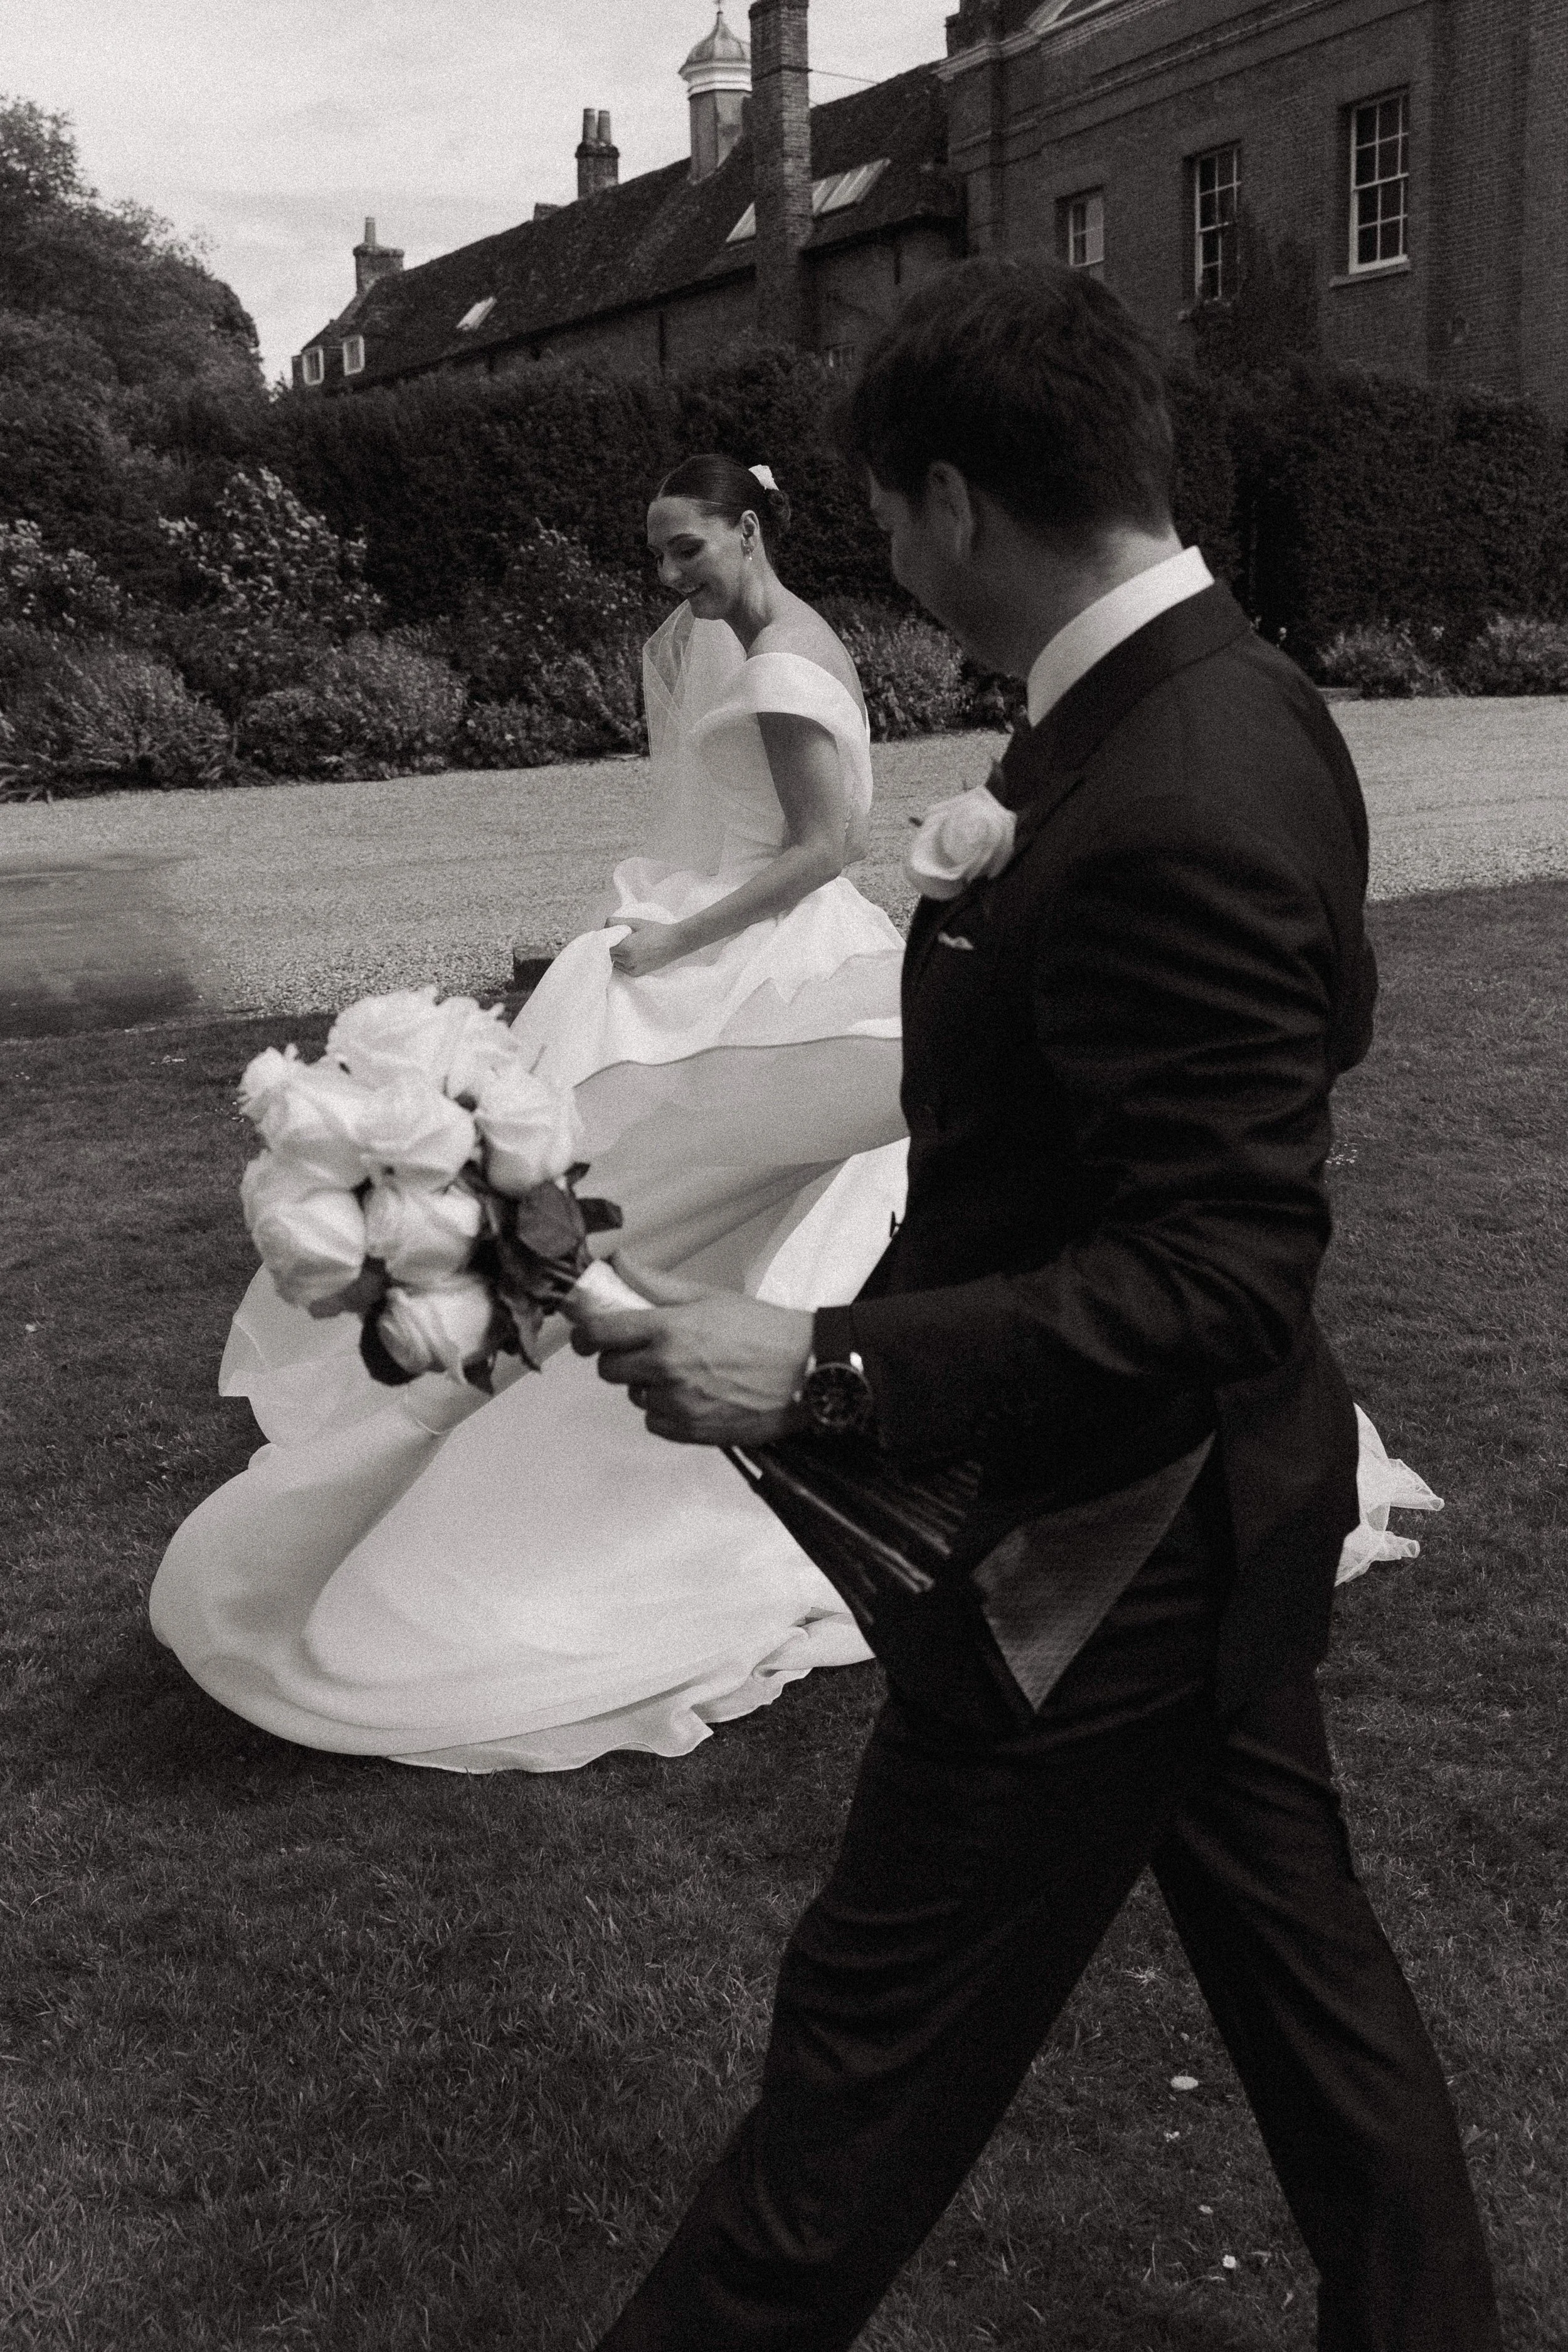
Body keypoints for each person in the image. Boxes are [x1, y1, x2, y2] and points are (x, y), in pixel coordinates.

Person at [569, 262, 1499, 2347]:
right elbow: (1313, 1028)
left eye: (890, 517)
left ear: (954, 503)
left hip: (1115, 1556)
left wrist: (825, 1359)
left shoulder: (1174, 779)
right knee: (1306, 1983)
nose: (888, 559)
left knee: (860, 2069)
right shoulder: (1228, 698)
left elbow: (1224, 1274)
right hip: (1218, 1512)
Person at [148, 455, 910, 1772]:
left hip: (762, 938)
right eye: (655, 552)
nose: (668, 575)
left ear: (747, 527)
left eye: (687, 547)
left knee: (698, 1157)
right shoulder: (738, 637)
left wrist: (671, 944)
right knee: (602, 1151)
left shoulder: (784, 662)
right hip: (728, 919)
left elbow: (821, 849)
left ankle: (673, 1387)